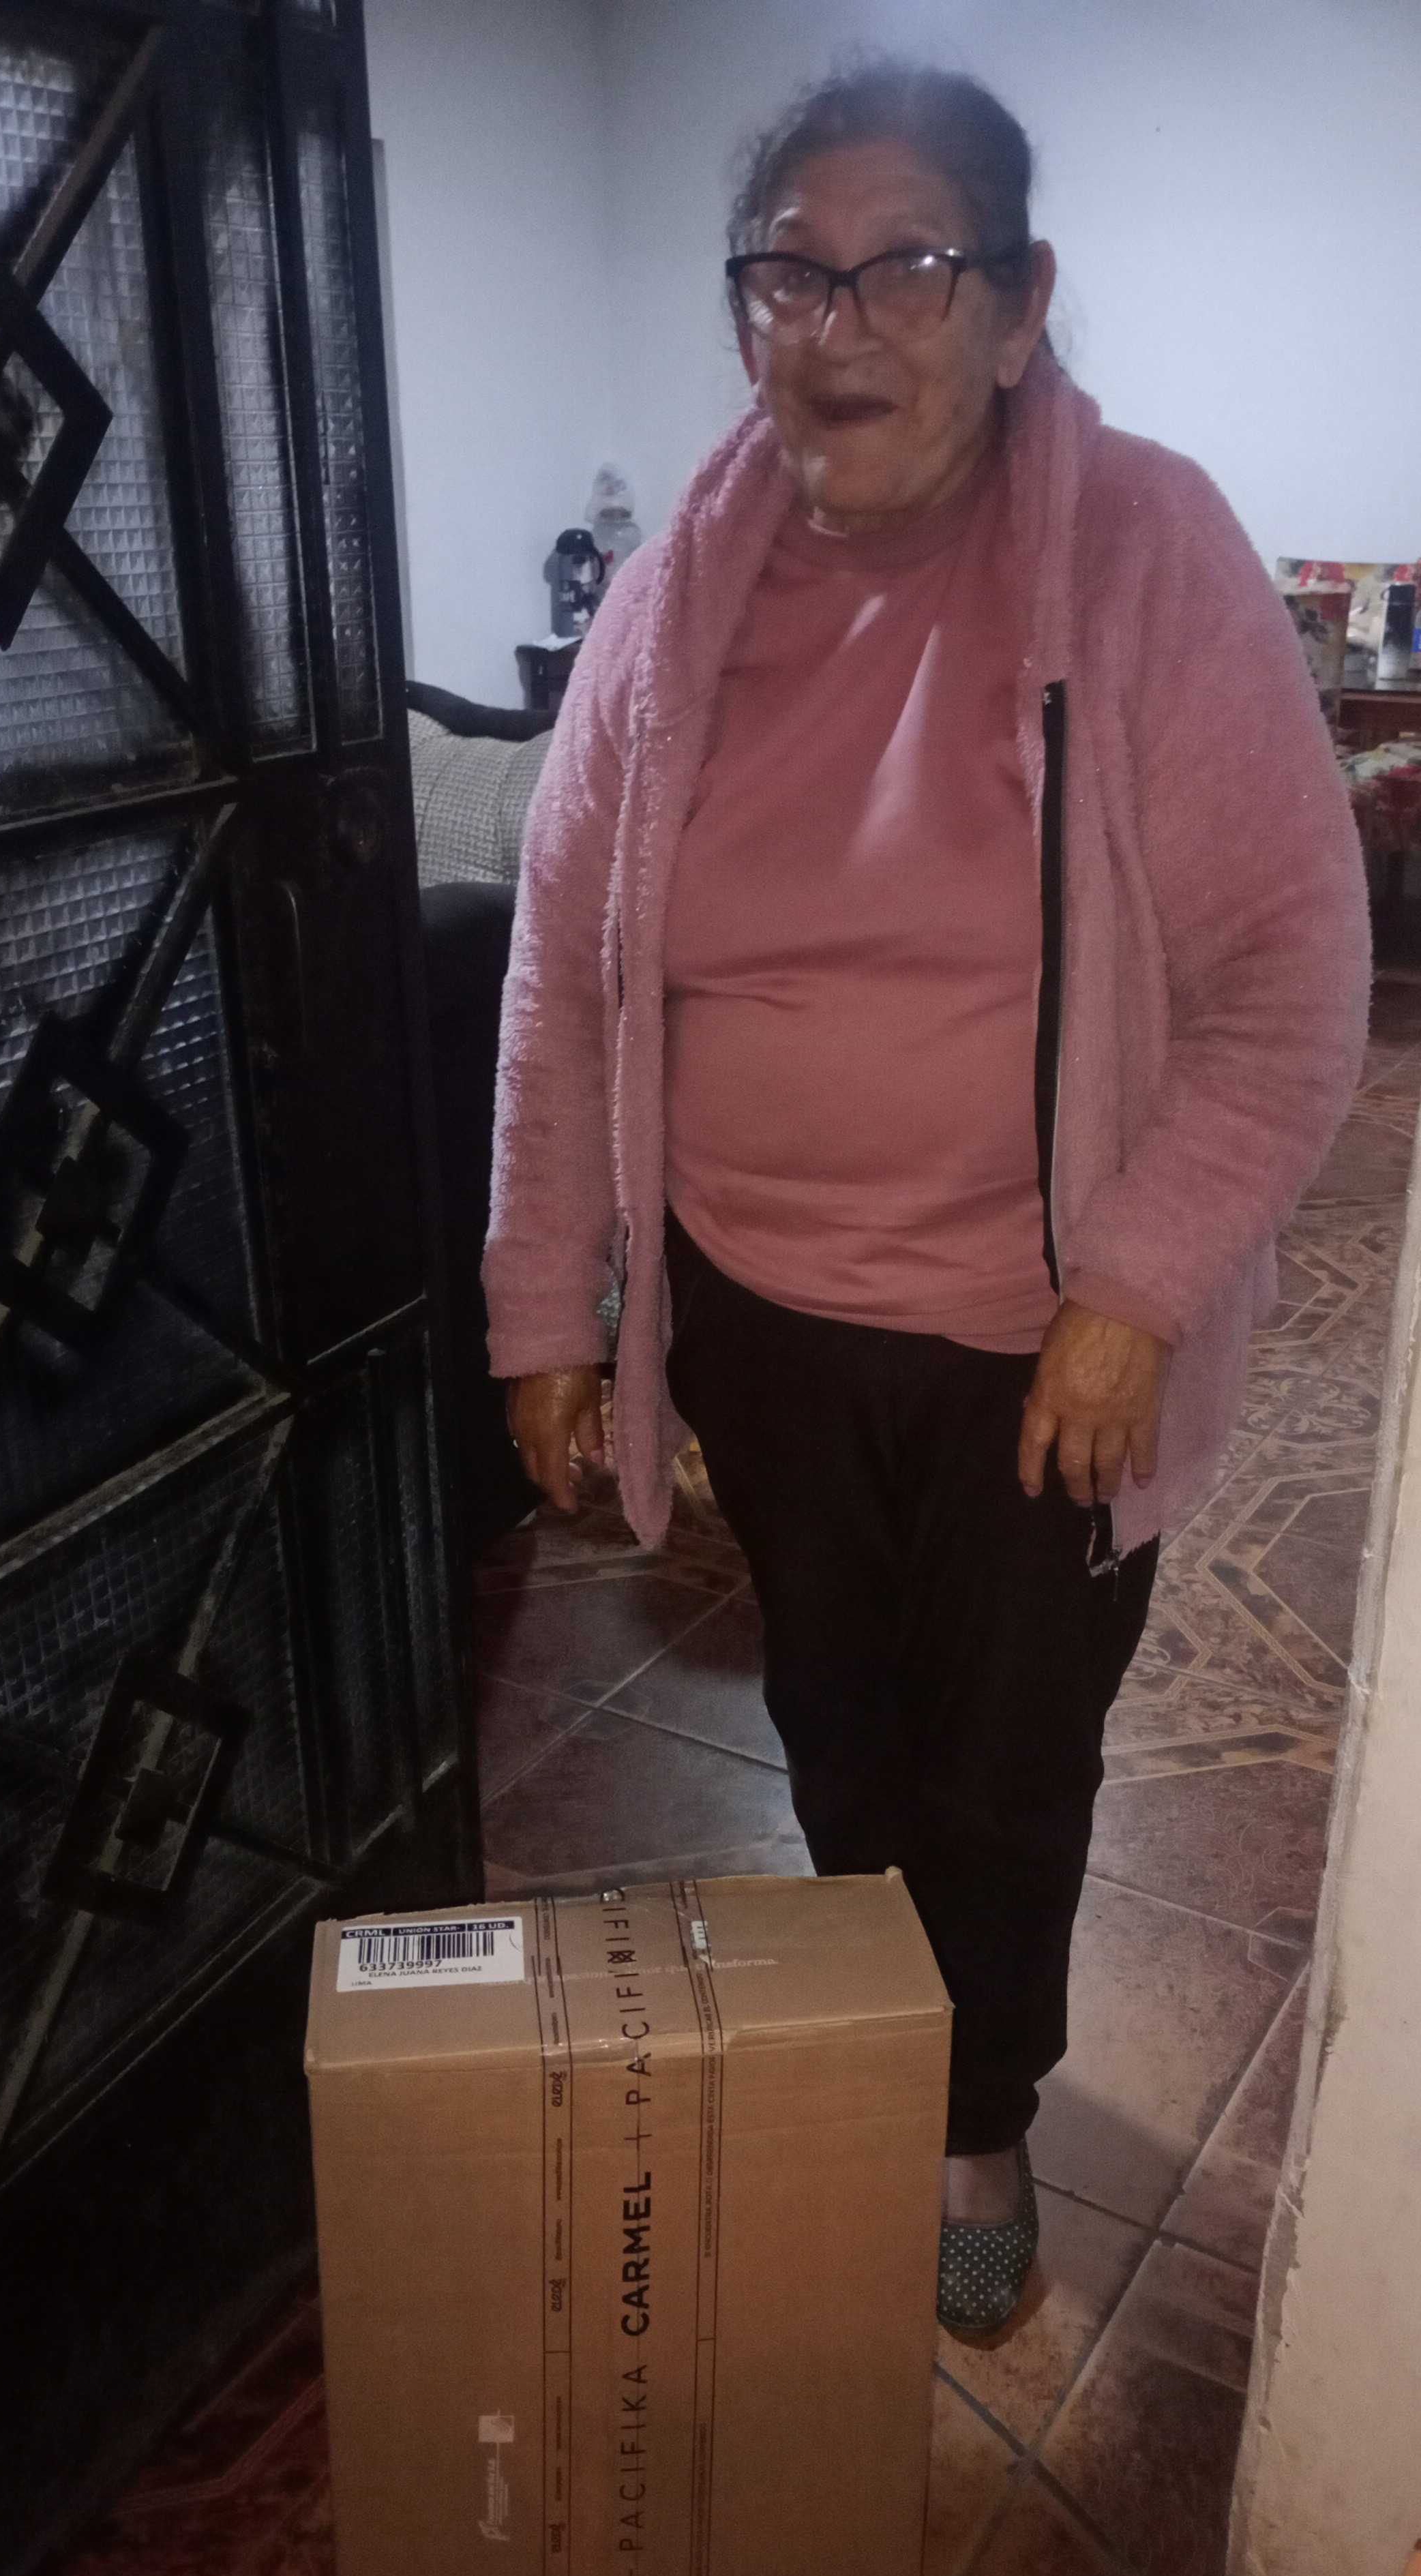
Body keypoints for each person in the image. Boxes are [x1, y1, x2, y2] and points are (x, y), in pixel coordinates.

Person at [483, 58, 1369, 2335]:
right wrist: (548, 1308)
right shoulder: (672, 603)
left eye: (909, 267)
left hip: (1035, 1339)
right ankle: (891, 2043)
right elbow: (561, 975)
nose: (838, 323)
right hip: (765, 1312)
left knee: (1004, 1768)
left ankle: (980, 2116)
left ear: (1018, 302)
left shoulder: (1145, 552)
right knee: (840, 1732)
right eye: (789, 273)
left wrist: (1137, 1285)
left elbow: (1295, 975)